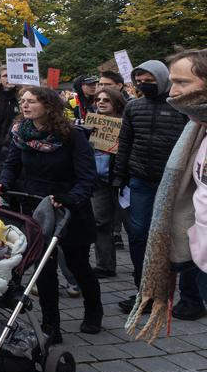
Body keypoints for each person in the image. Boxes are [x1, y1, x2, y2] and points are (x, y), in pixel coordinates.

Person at [0, 86, 102, 342]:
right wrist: (4, 183)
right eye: (23, 101)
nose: (25, 105)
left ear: (49, 106)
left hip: (69, 208)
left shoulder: (72, 137)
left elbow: (88, 178)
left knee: (78, 264)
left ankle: (93, 311)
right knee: (44, 268)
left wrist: (70, 199)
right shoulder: (22, 133)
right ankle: (50, 324)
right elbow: (12, 163)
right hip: (36, 206)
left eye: (31, 101)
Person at [127, 49, 207, 341]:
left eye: (183, 83)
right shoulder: (197, 126)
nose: (172, 92)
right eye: (171, 83)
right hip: (200, 254)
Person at [112, 60, 198, 318]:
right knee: (139, 236)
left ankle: (191, 298)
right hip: (141, 181)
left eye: (149, 79)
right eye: (139, 80)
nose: (143, 84)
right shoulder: (133, 107)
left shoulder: (183, 108)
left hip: (176, 184)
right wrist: (119, 176)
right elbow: (124, 143)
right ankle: (146, 292)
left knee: (183, 235)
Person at [88, 87, 127, 278]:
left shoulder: (128, 124)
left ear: (117, 103)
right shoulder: (92, 123)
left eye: (106, 100)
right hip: (99, 181)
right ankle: (105, 265)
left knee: (132, 227)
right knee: (100, 222)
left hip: (122, 181)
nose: (101, 102)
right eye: (98, 99)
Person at [0, 65, 19, 182]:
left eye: (12, 75)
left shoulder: (23, 97)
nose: (9, 78)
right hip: (5, 148)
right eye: (5, 75)